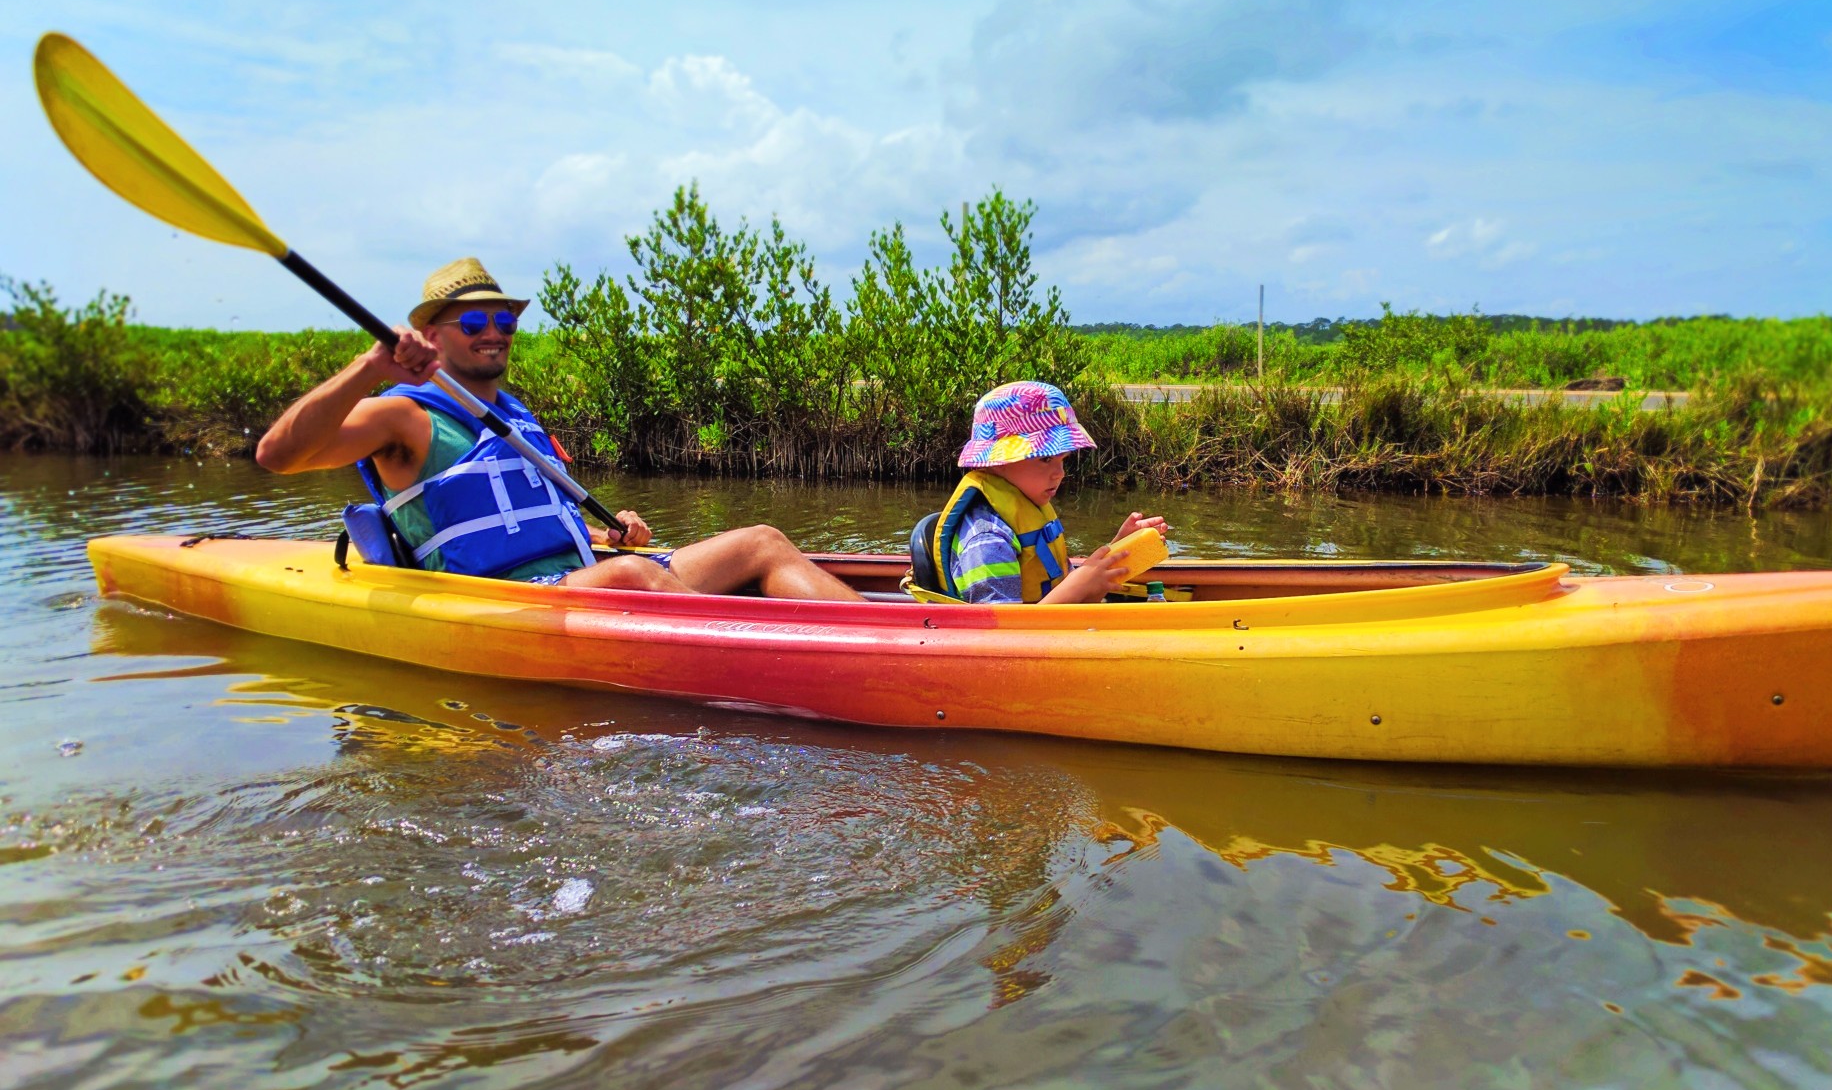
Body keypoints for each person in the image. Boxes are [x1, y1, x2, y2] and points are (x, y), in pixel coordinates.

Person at [256, 257, 862, 601]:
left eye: (504, 320)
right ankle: (777, 660)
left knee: (759, 539)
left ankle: (903, 637)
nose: (494, 331)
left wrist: (609, 534)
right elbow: (277, 456)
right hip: (500, 603)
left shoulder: (517, 418)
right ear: (434, 334)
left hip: (582, 576)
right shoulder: (402, 415)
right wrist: (367, 367)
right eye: (474, 322)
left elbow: (540, 522)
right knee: (632, 576)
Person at [927, 380, 1167, 604]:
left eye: (1063, 460)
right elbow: (1001, 634)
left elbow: (1063, 584)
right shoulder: (987, 538)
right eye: (1046, 459)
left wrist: (1116, 551)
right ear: (999, 460)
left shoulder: (1027, 504)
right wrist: (1077, 587)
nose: (1060, 473)